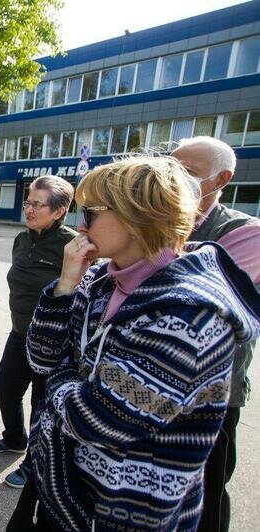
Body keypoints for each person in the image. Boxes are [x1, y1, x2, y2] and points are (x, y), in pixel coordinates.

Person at [7, 155, 260, 531]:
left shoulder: (188, 316)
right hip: (64, 495)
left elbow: (97, 419)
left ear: (135, 216)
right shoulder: (98, 281)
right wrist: (64, 286)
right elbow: (41, 357)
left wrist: (61, 382)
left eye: (91, 211)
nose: (80, 224)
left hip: (125, 516)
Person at [171, 136, 260, 532]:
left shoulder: (246, 233)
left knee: (205, 493)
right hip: (156, 389)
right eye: (170, 169)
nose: (173, 180)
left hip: (213, 396)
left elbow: (201, 305)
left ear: (221, 178)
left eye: (187, 172)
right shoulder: (160, 222)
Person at [0, 175, 77, 489]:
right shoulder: (22, 240)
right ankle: (14, 439)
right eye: (28, 202)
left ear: (60, 211)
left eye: (37, 204)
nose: (29, 209)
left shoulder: (72, 246)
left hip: (52, 342)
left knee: (41, 405)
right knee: (5, 388)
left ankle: (34, 465)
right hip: (20, 332)